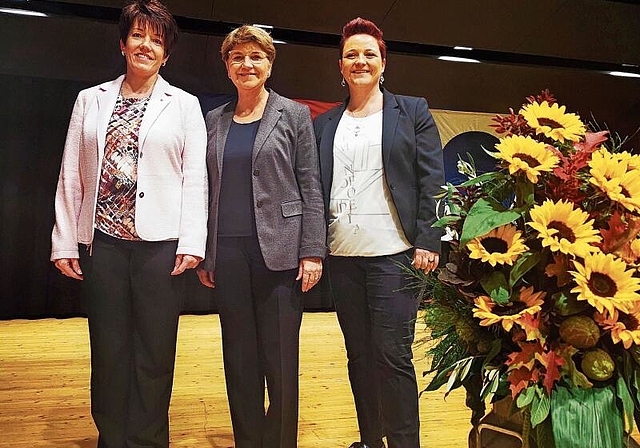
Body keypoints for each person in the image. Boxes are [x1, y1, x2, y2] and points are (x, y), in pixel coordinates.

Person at [50, 1, 207, 446]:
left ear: (167, 54)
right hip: (105, 245)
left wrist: (192, 241)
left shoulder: (185, 105)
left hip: (161, 248)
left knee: (155, 352)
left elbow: (196, 179)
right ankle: (112, 437)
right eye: (138, 35)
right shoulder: (91, 100)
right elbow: (71, 173)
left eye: (157, 40)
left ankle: (149, 439)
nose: (147, 45)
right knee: (109, 349)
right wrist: (64, 241)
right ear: (123, 44)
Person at [313, 17, 444, 448]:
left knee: (392, 356)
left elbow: (432, 179)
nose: (361, 60)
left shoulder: (412, 111)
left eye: (369, 53)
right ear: (340, 65)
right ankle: (371, 440)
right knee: (359, 358)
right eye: (352, 54)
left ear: (383, 63)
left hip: (395, 252)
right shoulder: (326, 123)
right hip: (344, 255)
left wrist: (429, 239)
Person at [196, 25, 326, 448]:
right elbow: (204, 188)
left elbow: (310, 184)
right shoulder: (214, 119)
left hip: (282, 253)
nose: (246, 64)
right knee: (239, 357)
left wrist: (312, 251)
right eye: (237, 57)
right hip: (228, 255)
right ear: (227, 66)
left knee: (280, 359)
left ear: (269, 64)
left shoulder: (293, 114)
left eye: (256, 57)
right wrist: (206, 253)